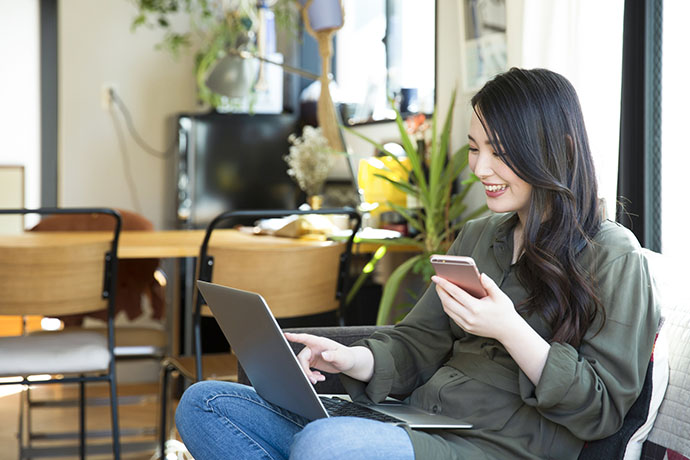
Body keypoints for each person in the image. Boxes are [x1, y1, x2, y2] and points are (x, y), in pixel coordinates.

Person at [174, 68, 660, 460]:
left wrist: (510, 328)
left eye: (501, 153)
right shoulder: (478, 236)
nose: (479, 169)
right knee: (204, 403)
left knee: (326, 446)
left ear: (558, 150)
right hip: (414, 421)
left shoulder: (615, 256)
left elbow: (601, 411)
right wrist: (354, 358)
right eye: (474, 149)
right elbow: (418, 342)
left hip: (496, 447)